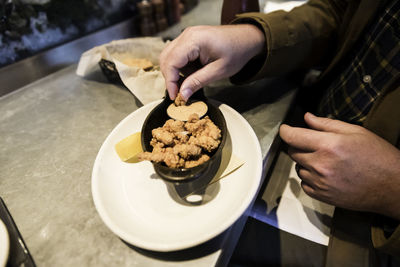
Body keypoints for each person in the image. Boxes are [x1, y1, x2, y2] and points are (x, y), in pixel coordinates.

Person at [159, 0, 400, 265]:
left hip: (372, 230)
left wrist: (391, 186)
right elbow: (338, 10)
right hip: (306, 117)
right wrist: (255, 37)